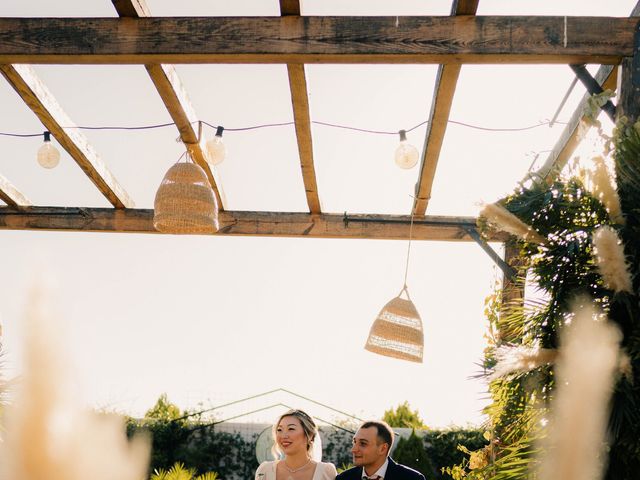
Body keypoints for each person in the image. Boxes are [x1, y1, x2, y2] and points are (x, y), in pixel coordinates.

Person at [255, 409, 337, 480]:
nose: (283, 436)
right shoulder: (265, 470)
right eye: (279, 430)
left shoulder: (326, 472)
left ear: (310, 435)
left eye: (291, 429)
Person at [336, 420, 425, 480]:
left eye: (363, 443)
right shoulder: (344, 478)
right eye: (354, 442)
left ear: (383, 448)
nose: (353, 449)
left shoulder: (412, 478)